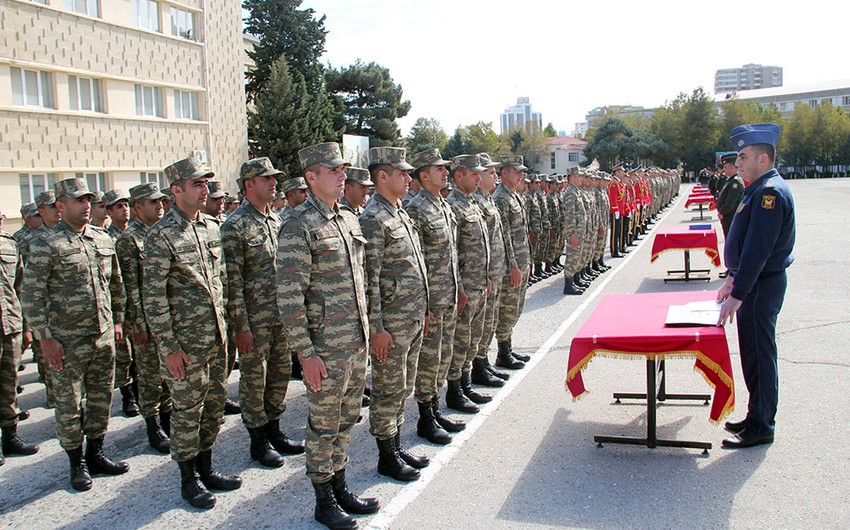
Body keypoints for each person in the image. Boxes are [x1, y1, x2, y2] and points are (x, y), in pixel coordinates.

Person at [277, 142, 379, 529]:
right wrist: (306, 353)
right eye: (333, 170)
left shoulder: (348, 219)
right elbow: (289, 299)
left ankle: (340, 485)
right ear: (311, 177)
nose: (342, 176)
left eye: (343, 170)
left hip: (355, 341)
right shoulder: (298, 225)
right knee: (323, 424)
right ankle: (323, 499)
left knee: (347, 418)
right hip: (324, 348)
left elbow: (360, 283)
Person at [143, 157, 241, 509]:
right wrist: (168, 348)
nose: (205, 190)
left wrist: (232, 330)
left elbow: (224, 283)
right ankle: (189, 479)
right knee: (187, 412)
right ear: (177, 190)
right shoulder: (160, 236)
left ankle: (207, 466)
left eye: (206, 184)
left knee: (214, 406)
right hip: (185, 345)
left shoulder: (212, 228)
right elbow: (152, 297)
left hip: (216, 339)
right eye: (197, 184)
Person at [22, 177, 128, 491]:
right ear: (60, 206)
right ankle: (76, 463)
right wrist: (45, 338)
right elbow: (31, 294)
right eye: (78, 201)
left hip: (103, 335)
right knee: (69, 406)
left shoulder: (101, 239)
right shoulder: (46, 243)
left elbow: (116, 285)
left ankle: (96, 453)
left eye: (88, 200)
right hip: (66, 342)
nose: (85, 206)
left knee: (100, 399)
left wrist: (118, 322)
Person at [221, 157, 304, 469]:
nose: (273, 183)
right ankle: (258, 440)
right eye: (265, 179)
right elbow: (232, 281)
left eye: (274, 178)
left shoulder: (275, 220)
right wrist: (241, 325)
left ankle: (274, 430)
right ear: (248, 185)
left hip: (282, 317)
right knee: (255, 380)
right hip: (254, 321)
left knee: (281, 374)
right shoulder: (234, 226)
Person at [717, 123, 796, 449]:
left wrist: (738, 293)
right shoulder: (758, 188)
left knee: (760, 357)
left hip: (761, 286)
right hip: (755, 283)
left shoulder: (769, 194)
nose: (738, 163)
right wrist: (733, 278)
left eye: (743, 156)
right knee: (753, 355)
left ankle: (762, 425)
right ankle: (756, 415)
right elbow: (748, 245)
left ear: (763, 159)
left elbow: (758, 250)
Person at [360, 146, 430, 482]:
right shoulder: (373, 218)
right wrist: (377, 328)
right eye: (401, 173)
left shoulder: (399, 212)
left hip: (412, 316)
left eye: (408, 172)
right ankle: (387, 456)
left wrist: (425, 307)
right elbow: (369, 279)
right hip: (391, 324)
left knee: (403, 386)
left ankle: (397, 445)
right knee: (388, 389)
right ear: (381, 176)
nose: (408, 177)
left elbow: (415, 266)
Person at [405, 148, 464, 443]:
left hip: (449, 295)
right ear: (423, 175)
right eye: (438, 168)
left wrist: (460, 289)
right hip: (432, 302)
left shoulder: (443, 205)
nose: (445, 172)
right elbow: (417, 262)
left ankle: (435, 408)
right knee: (428, 361)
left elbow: (451, 254)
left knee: (442, 357)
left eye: (445, 168)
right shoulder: (416, 209)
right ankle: (425, 418)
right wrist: (424, 306)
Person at [115, 183, 172, 454]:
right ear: (137, 207)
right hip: (146, 321)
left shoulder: (164, 233)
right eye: (152, 202)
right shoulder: (129, 239)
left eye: (161, 200)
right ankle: (153, 426)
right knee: (149, 375)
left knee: (171, 371)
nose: (159, 205)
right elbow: (129, 286)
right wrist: (137, 324)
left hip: (169, 318)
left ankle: (168, 419)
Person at [445, 155, 492, 413]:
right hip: (465, 288)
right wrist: (460, 289)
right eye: (473, 173)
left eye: (479, 174)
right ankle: (454, 390)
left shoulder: (472, 203)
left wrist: (485, 276)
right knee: (460, 341)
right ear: (459, 175)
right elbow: (453, 253)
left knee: (472, 339)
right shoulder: (453, 205)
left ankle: (465, 384)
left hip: (478, 283)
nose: (478, 177)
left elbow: (480, 246)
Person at [0, 208, 39, 467]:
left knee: (8, 382)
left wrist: (26, 326)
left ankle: (10, 437)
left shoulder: (8, 244)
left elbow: (20, 286)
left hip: (10, 325)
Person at [103, 189, 139, 417]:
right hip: (121, 306)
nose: (124, 209)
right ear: (108, 211)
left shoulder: (138, 234)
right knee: (125, 356)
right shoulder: (106, 238)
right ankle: (129, 397)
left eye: (126, 205)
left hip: (137, 302)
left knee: (141, 356)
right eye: (118, 206)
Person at [492, 155, 531, 369]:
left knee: (516, 307)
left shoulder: (514, 195)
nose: (521, 175)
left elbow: (522, 233)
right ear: (504, 172)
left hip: (522, 259)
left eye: (521, 172)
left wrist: (527, 261)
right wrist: (514, 266)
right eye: (517, 171)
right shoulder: (501, 198)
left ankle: (509, 347)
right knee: (507, 308)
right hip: (511, 265)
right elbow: (505, 235)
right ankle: (502, 352)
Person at [715, 151, 745, 278]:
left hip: (731, 218)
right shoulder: (730, 180)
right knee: (729, 242)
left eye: (726, 167)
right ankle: (730, 269)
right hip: (728, 218)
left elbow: (730, 203)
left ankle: (733, 269)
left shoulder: (735, 182)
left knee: (732, 244)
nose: (724, 170)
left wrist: (722, 212)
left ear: (733, 167)